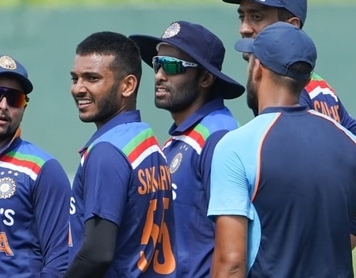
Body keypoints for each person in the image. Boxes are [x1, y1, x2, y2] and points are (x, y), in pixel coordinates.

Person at [207, 22, 356, 277]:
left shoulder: (237, 146)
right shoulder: (347, 141)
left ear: (258, 69)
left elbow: (231, 262)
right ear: (307, 79)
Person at [129, 21, 244, 277]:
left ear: (205, 78)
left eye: (172, 66)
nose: (159, 74)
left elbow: (233, 253)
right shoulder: (181, 139)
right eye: (158, 63)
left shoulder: (217, 137)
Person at [65, 31, 176, 277]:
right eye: (75, 78)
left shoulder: (107, 152)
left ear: (127, 85)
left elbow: (97, 253)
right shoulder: (148, 144)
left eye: (92, 78)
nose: (78, 89)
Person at [0, 54, 71, 278]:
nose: (3, 106)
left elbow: (60, 260)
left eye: (14, 99)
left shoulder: (42, 169)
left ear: (24, 107)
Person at [221, 0, 356, 133]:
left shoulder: (285, 91)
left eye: (257, 17)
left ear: (292, 25)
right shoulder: (320, 86)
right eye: (242, 17)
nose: (244, 28)